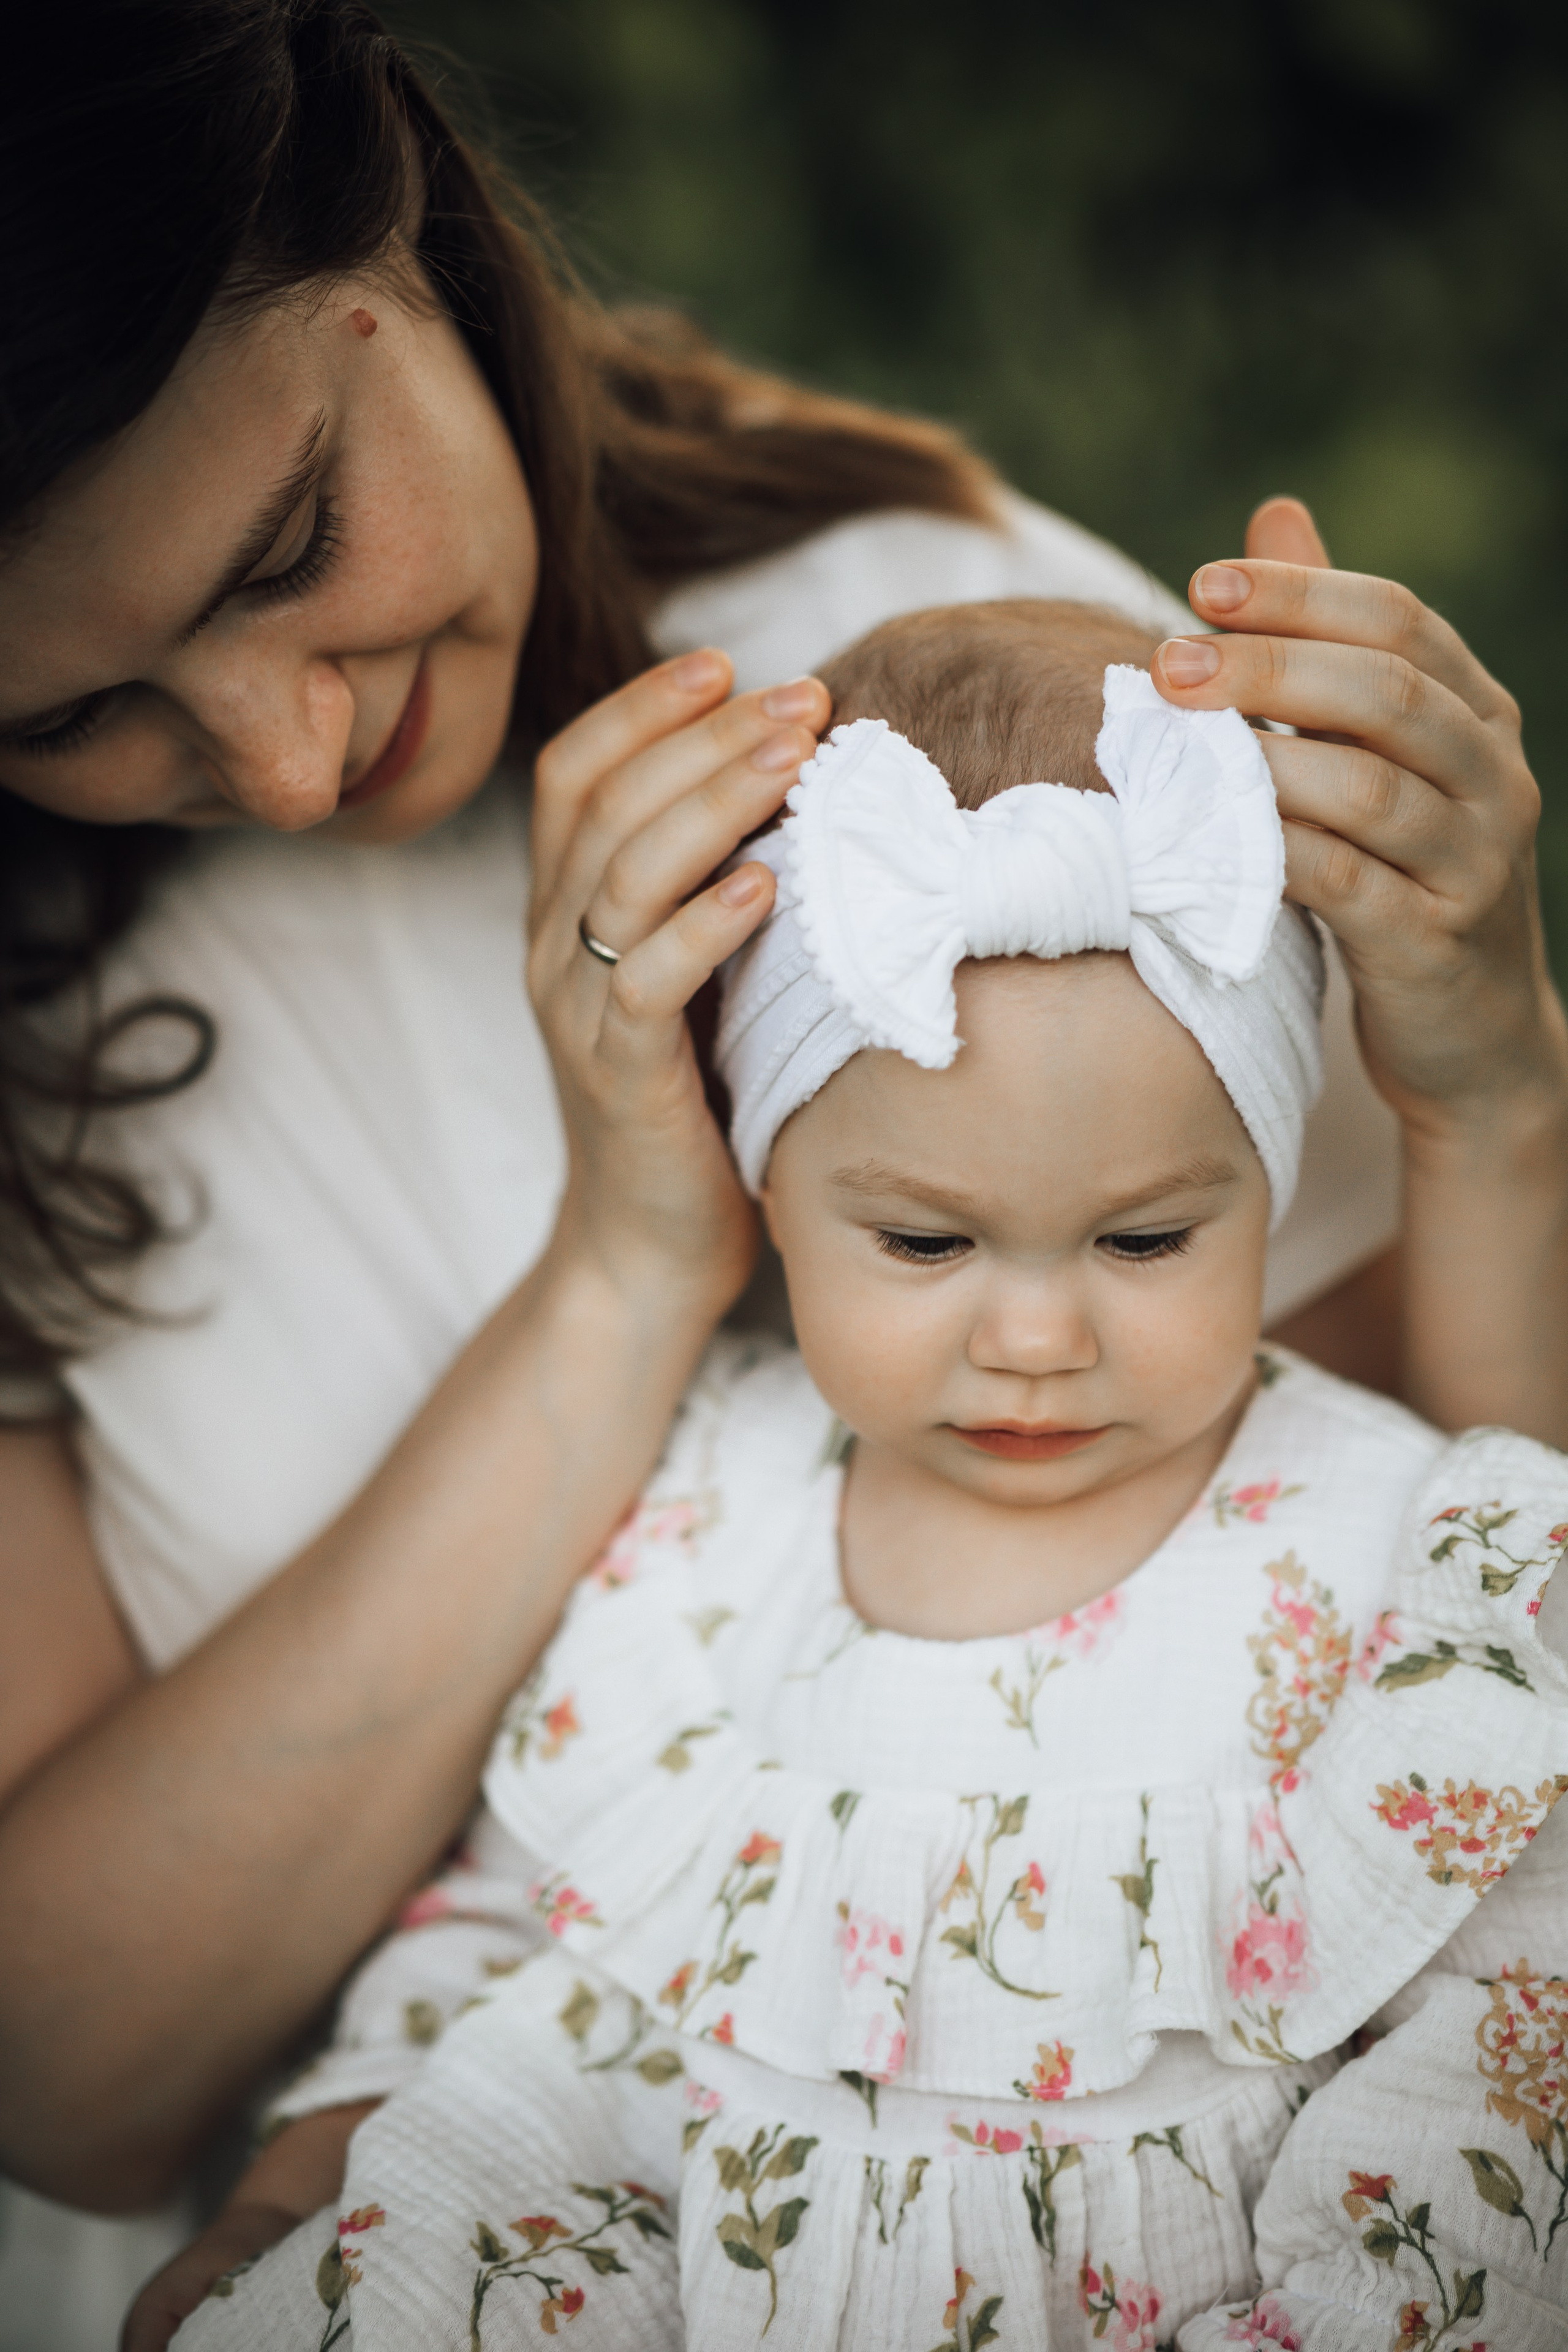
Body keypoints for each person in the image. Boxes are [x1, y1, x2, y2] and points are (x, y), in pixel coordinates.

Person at [1, 2, 1566, 2337]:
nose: (293, 759)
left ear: (392, 208)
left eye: (289, 544)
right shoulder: (694, 1544)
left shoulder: (941, 670)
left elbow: (1438, 1610)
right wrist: (632, 1265)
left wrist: (1502, 1098)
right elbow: (78, 2063)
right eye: (67, 713)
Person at [149, 603, 1568, 2349]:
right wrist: (311, 2176)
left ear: (1266, 1184)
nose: (1036, 1336)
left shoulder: (1396, 1552)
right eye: (922, 1240)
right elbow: (535, 1928)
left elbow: (1495, 2068)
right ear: (770, 1193)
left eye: (1141, 1238)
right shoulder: (700, 1516)